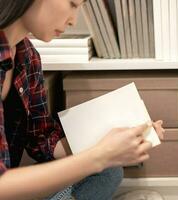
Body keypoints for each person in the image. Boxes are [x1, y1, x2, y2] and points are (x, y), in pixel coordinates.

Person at [0, 0, 165, 199]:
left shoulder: (27, 56)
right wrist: (99, 156)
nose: (73, 20)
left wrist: (123, 140)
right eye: (73, 3)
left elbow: (42, 142)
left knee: (108, 172)